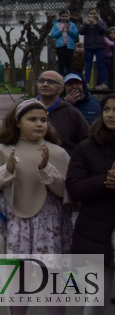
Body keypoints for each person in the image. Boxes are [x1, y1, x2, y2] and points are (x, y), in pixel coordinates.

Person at [0, 99, 72, 314]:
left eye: (43, 120)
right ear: (17, 122)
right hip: (15, 224)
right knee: (19, 279)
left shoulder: (57, 152)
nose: (39, 124)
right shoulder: (2, 151)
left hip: (49, 224)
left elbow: (68, 190)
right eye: (32, 119)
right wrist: (5, 170)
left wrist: (46, 169)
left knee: (53, 278)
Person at [67, 95, 115, 314]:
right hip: (97, 232)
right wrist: (105, 180)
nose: (111, 114)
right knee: (96, 300)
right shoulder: (87, 147)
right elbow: (75, 188)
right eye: (107, 109)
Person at [34, 70, 89, 152]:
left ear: (61, 88)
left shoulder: (72, 113)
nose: (45, 84)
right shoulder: (24, 108)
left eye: (51, 82)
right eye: (42, 81)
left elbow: (87, 142)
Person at [81, 8, 109, 90]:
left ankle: (104, 83)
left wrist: (96, 24)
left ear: (97, 14)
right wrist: (87, 24)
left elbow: (104, 31)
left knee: (101, 65)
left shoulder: (101, 23)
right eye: (90, 13)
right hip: (88, 47)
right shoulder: (85, 23)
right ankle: (87, 83)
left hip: (100, 47)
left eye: (94, 13)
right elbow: (81, 32)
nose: (92, 15)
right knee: (88, 66)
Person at [50, 10, 79, 76]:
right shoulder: (56, 25)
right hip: (60, 46)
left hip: (70, 46)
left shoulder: (72, 25)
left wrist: (69, 30)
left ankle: (69, 76)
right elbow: (53, 35)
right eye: (63, 16)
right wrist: (60, 30)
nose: (65, 18)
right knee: (61, 63)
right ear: (60, 16)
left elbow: (76, 35)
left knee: (69, 63)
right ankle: (61, 76)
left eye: (66, 16)